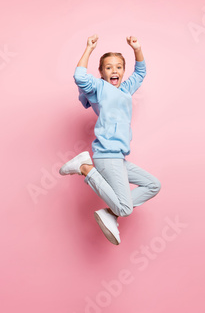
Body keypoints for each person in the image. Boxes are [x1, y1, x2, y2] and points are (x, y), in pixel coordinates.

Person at [59, 34, 161, 245]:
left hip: (119, 158)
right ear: (101, 72)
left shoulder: (125, 90)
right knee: (126, 209)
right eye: (108, 67)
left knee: (153, 185)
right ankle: (85, 168)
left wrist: (137, 49)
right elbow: (79, 76)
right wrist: (89, 48)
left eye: (118, 67)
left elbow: (141, 73)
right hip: (107, 156)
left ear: (123, 71)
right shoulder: (99, 89)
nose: (114, 71)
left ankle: (111, 212)